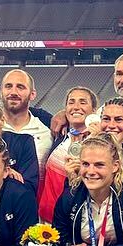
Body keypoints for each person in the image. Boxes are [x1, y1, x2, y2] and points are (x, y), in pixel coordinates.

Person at [51, 132, 123, 246]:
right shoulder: (71, 196)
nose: (90, 171)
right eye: (85, 164)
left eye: (99, 165)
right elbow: (56, 241)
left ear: (115, 166)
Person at [40, 86, 99, 223]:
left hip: (76, 219)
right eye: (71, 102)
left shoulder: (98, 142)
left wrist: (96, 138)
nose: (76, 107)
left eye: (83, 102)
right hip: (46, 218)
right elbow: (28, 110)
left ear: (94, 110)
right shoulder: (59, 134)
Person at [0, 68, 54, 166]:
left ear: (32, 95)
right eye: (8, 86)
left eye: (20, 87)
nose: (13, 92)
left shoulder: (47, 132)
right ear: (1, 92)